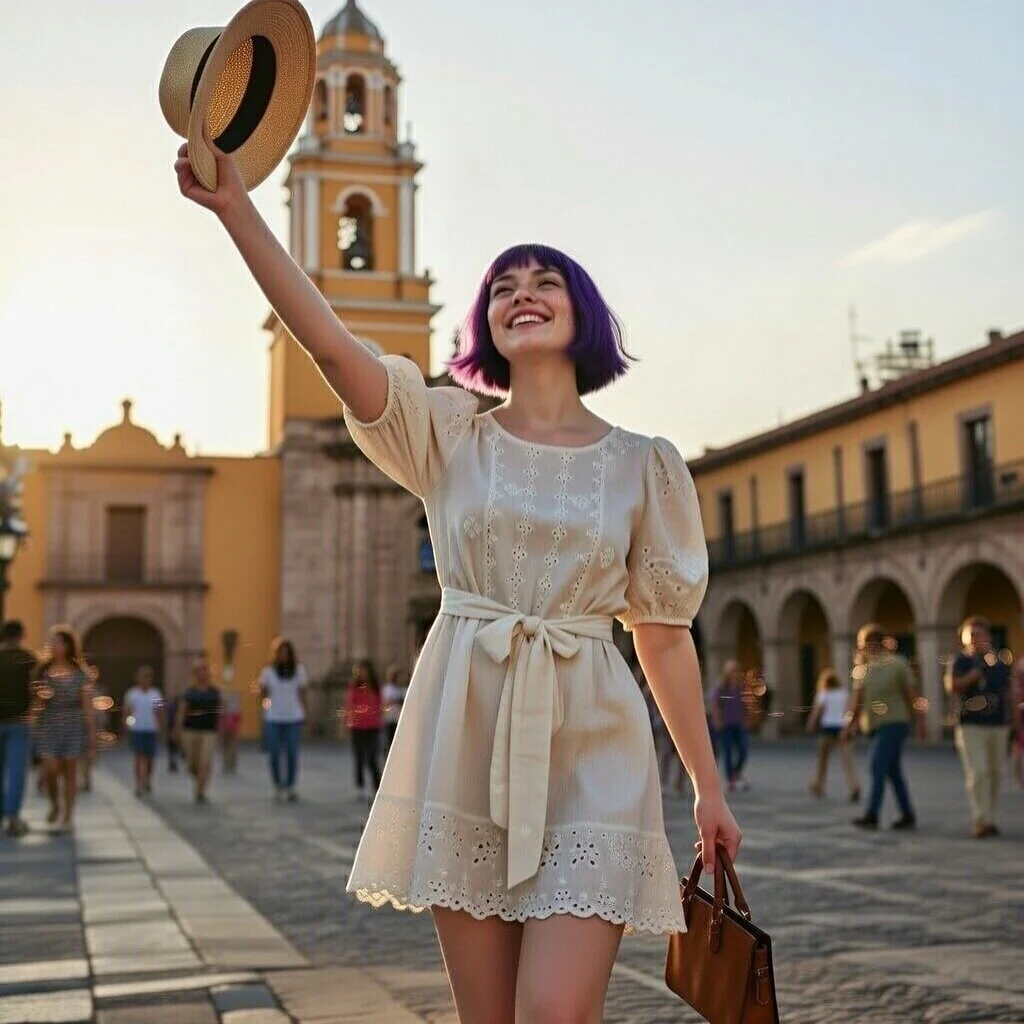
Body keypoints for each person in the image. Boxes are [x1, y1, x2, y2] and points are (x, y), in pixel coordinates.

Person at [174, 135, 739, 1024]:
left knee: (555, 1010)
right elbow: (328, 346)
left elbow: (663, 634)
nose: (523, 294)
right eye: (504, 287)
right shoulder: (447, 433)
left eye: (544, 282)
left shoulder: (646, 465)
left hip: (595, 736)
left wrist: (707, 785)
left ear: (582, 313)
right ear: (487, 326)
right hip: (465, 731)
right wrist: (238, 210)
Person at [846, 625, 923, 830]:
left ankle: (872, 813)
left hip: (894, 723)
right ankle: (907, 813)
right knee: (892, 770)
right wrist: (850, 725)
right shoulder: (867, 668)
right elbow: (857, 701)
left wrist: (920, 722)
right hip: (880, 725)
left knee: (877, 766)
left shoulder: (896, 664)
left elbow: (910, 695)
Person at [946, 617, 1014, 838]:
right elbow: (952, 686)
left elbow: (1008, 692)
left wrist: (1013, 721)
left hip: (997, 724)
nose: (974, 638)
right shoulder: (960, 661)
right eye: (970, 634)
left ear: (988, 637)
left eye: (979, 634)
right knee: (979, 772)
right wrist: (971, 677)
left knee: (996, 773)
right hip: (970, 725)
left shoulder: (1000, 663)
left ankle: (990, 819)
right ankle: (980, 819)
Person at [33, 626, 95, 833]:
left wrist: (91, 735)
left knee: (70, 772)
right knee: (50, 769)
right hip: (49, 723)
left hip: (73, 723)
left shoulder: (81, 674)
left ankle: (68, 817)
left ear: (68, 646)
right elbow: (37, 701)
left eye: (58, 642)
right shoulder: (43, 671)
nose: (54, 645)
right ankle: (55, 804)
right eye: (52, 642)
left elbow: (87, 706)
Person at [0, 620, 38, 837]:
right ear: (21, 635)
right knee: (15, 772)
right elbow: (35, 688)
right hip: (18, 721)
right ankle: (12, 817)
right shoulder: (27, 658)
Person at [259, 638, 308, 802]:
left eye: (286, 652)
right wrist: (265, 708)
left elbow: (302, 693)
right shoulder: (268, 671)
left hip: (294, 716)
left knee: (292, 753)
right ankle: (278, 785)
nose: (283, 656)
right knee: (273, 752)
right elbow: (263, 693)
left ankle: (290, 786)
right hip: (273, 717)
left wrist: (304, 712)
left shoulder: (299, 671)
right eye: (280, 653)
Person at [805, 668, 860, 802]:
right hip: (842, 728)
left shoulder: (823, 694)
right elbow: (849, 710)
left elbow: (817, 711)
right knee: (848, 761)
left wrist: (811, 724)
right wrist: (851, 726)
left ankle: (819, 785)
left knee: (822, 760)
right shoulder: (843, 693)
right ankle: (854, 786)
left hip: (828, 728)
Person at [175, 657, 221, 804]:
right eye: (199, 670)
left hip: (209, 731)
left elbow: (218, 712)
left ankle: (200, 791)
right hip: (191, 730)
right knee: (192, 764)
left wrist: (220, 729)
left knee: (205, 761)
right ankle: (200, 779)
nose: (202, 673)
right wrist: (177, 729)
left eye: (205, 670)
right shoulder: (190, 692)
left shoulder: (214, 692)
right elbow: (182, 711)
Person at [122, 665, 164, 797]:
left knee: (150, 759)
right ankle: (138, 784)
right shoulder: (132, 694)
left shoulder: (156, 694)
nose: (145, 679)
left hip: (151, 729)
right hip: (137, 729)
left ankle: (148, 779)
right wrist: (126, 725)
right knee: (138, 757)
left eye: (148, 677)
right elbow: (127, 711)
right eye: (143, 676)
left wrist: (160, 726)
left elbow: (159, 711)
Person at [344, 660, 382, 800]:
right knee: (359, 757)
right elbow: (350, 706)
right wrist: (347, 723)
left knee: (372, 757)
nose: (362, 673)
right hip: (357, 727)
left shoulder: (376, 688)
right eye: (360, 671)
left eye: (364, 670)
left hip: (372, 726)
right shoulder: (354, 687)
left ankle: (377, 786)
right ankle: (360, 787)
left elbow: (379, 706)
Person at [711, 661, 750, 792]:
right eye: (731, 670)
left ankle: (736, 772)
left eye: (736, 670)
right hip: (725, 724)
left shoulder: (740, 687)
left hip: (738, 723)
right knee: (727, 752)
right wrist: (717, 720)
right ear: (726, 672)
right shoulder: (721, 687)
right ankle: (730, 779)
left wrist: (746, 717)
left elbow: (745, 703)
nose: (734, 673)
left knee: (743, 750)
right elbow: (715, 704)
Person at [380, 664, 407, 756]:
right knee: (388, 740)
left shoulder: (400, 689)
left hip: (397, 719)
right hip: (388, 719)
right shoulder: (386, 689)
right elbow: (385, 703)